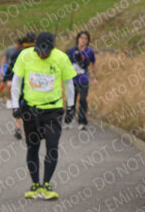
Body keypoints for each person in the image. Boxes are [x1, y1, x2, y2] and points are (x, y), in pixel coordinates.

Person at [11, 32, 76, 200]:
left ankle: (46, 184)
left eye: (46, 52)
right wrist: (15, 105)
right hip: (31, 110)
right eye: (39, 51)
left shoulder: (61, 58)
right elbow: (16, 81)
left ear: (52, 48)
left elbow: (69, 83)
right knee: (32, 147)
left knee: (52, 146)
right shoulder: (25, 56)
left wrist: (70, 107)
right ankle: (35, 185)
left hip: (53, 110)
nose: (42, 55)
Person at [6, 32, 35, 139]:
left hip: (25, 85)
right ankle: (21, 129)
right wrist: (8, 79)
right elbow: (11, 68)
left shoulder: (20, 53)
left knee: (20, 106)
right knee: (23, 107)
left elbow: (10, 68)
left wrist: (8, 79)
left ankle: (20, 128)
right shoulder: (21, 54)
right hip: (25, 85)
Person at [66, 30, 97, 130]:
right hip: (72, 80)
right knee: (72, 100)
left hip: (84, 80)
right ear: (78, 39)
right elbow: (65, 63)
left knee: (83, 100)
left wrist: (94, 77)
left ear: (88, 40)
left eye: (85, 39)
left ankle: (82, 121)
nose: (83, 40)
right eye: (81, 38)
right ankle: (69, 120)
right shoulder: (71, 50)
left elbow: (93, 64)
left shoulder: (90, 51)